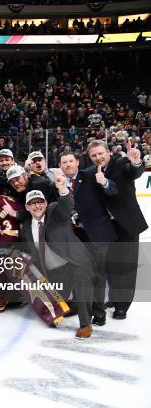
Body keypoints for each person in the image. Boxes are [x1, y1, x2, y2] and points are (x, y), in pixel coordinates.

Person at [19, 179, 95, 339]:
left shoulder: (54, 213)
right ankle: (76, 305)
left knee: (82, 283)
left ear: (46, 204)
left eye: (40, 202)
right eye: (32, 203)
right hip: (54, 272)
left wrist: (63, 190)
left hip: (73, 263)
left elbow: (66, 206)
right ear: (27, 207)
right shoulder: (26, 228)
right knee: (60, 306)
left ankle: (85, 324)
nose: (36, 206)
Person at [87, 140, 148, 319]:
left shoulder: (121, 164)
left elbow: (133, 171)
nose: (98, 157)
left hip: (126, 224)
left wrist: (136, 162)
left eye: (100, 153)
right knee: (110, 263)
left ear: (108, 153)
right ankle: (114, 298)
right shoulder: (92, 172)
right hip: (106, 226)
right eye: (94, 155)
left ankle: (122, 306)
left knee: (125, 265)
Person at [58, 152, 118, 326]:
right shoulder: (58, 183)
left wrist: (105, 182)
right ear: (60, 166)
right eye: (64, 162)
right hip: (74, 236)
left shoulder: (91, 175)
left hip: (97, 234)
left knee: (98, 274)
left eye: (70, 161)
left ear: (77, 162)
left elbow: (113, 191)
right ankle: (78, 305)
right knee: (77, 273)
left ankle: (99, 312)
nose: (68, 164)